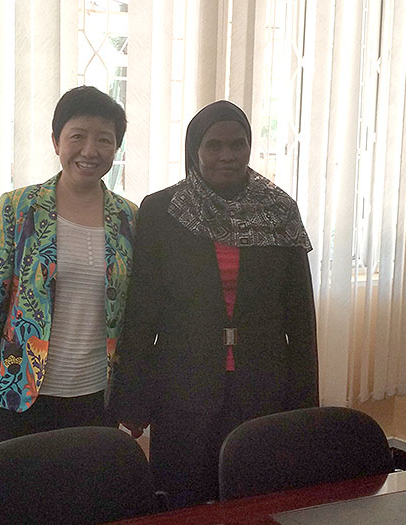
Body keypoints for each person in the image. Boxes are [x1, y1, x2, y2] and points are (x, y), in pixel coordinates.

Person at [107, 100, 318, 508]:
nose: (228, 155)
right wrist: (132, 399)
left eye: (238, 144)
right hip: (182, 386)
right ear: (194, 150)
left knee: (256, 498)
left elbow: (300, 316)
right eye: (214, 145)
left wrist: (306, 402)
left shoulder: (279, 210)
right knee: (182, 498)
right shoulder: (163, 210)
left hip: (263, 386)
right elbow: (143, 311)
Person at [0, 86, 137, 442]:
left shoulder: (129, 218)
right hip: (21, 392)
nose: (90, 150)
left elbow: (133, 315)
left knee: (88, 478)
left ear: (116, 148)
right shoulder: (18, 208)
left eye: (104, 140)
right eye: (77, 136)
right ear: (56, 141)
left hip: (97, 395)